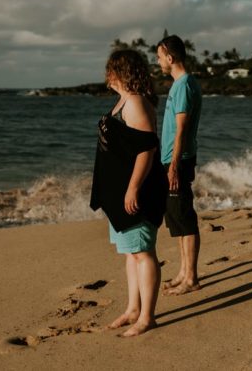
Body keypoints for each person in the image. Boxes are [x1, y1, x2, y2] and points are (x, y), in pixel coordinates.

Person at [89, 49, 168, 336]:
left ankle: (147, 316)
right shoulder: (124, 100)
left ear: (120, 71)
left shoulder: (135, 103)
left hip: (139, 193)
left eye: (110, 69)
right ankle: (133, 308)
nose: (106, 75)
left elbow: (147, 149)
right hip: (121, 194)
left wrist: (133, 188)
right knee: (131, 253)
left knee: (143, 253)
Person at [156, 35, 203, 295]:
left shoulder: (183, 85)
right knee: (177, 216)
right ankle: (184, 272)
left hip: (179, 160)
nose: (159, 61)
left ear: (170, 58)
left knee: (185, 218)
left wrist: (173, 164)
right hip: (174, 160)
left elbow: (182, 129)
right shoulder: (181, 84)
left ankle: (192, 278)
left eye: (160, 57)